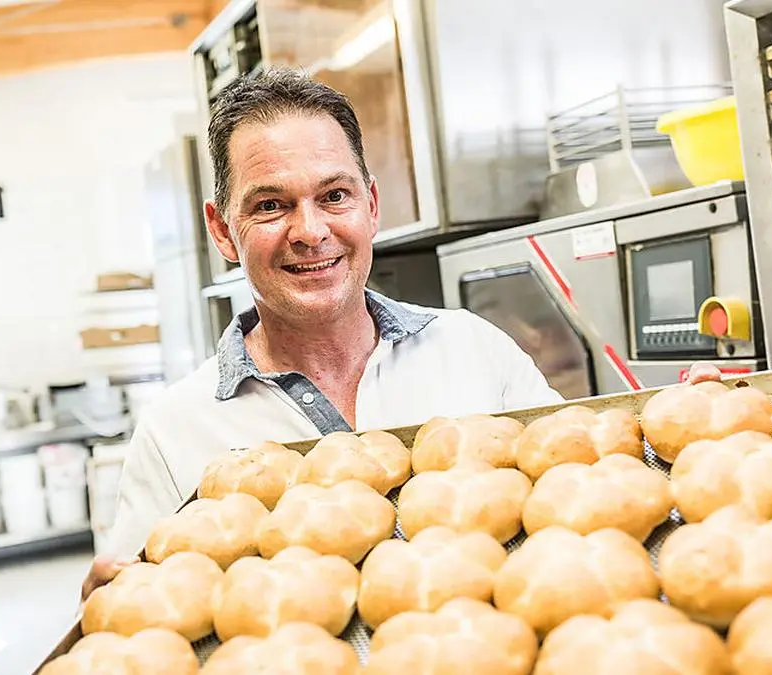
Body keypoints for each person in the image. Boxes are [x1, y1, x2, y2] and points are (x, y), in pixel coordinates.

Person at [81, 66, 720, 599]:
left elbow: (584, 488)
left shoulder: (475, 350)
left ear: (371, 205)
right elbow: (140, 601)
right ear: (223, 231)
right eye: (271, 205)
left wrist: (687, 443)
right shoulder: (176, 431)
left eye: (334, 195)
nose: (310, 230)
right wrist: (103, 603)